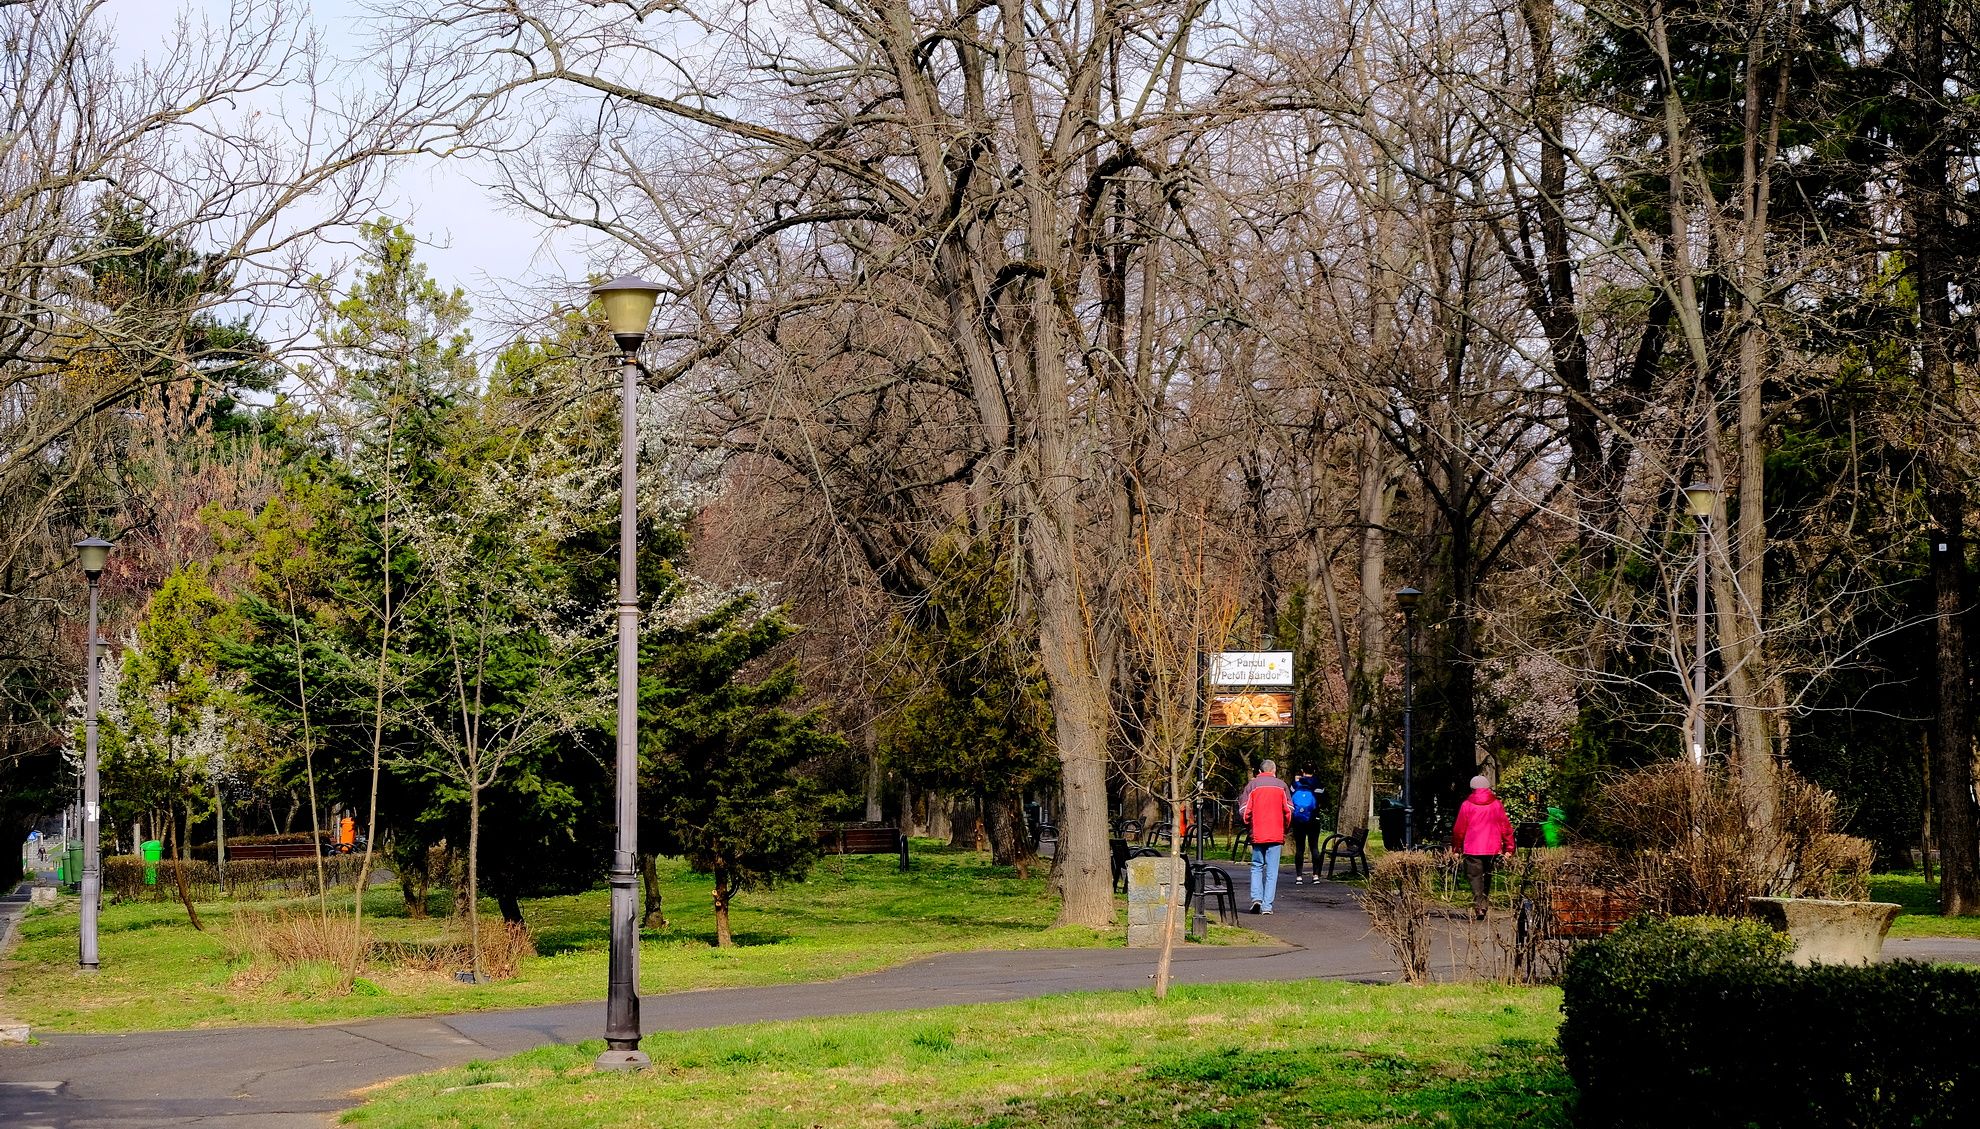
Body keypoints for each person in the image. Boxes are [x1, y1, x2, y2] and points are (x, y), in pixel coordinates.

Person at [1449, 774, 1515, 920]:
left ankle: (1479, 905)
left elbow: (1459, 829)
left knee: (1474, 877)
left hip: (1472, 847)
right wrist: (1509, 848)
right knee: (1487, 876)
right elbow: (1505, 827)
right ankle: (1483, 903)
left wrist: (1456, 848)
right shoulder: (1497, 804)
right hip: (1492, 847)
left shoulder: (1467, 805)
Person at [1238, 759, 1294, 914]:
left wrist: (1249, 824)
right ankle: (1267, 906)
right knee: (1272, 871)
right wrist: (1285, 827)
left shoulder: (1252, 786)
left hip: (1257, 833)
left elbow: (1244, 810)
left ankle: (1256, 899)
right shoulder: (1281, 786)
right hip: (1275, 833)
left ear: (1260, 772)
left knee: (1256, 867)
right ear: (1274, 770)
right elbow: (1289, 810)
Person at [1287, 767, 1324, 884]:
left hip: (1298, 820)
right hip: (1313, 819)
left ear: (1302, 771)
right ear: (1313, 771)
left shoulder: (1296, 784)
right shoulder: (1318, 783)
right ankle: (1315, 875)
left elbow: (1289, 798)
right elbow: (1323, 800)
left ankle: (1299, 876)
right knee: (1314, 847)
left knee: (1299, 848)